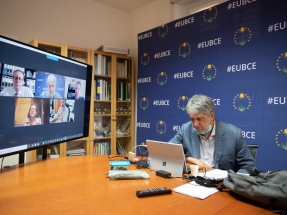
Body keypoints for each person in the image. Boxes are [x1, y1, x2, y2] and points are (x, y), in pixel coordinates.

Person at [169, 94, 256, 172]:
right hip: (193, 180)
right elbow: (169, 151)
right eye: (192, 119)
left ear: (212, 115)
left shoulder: (233, 134)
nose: (195, 124)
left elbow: (248, 166)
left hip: (221, 184)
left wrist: (236, 182)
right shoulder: (185, 129)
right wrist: (193, 160)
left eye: (200, 119)